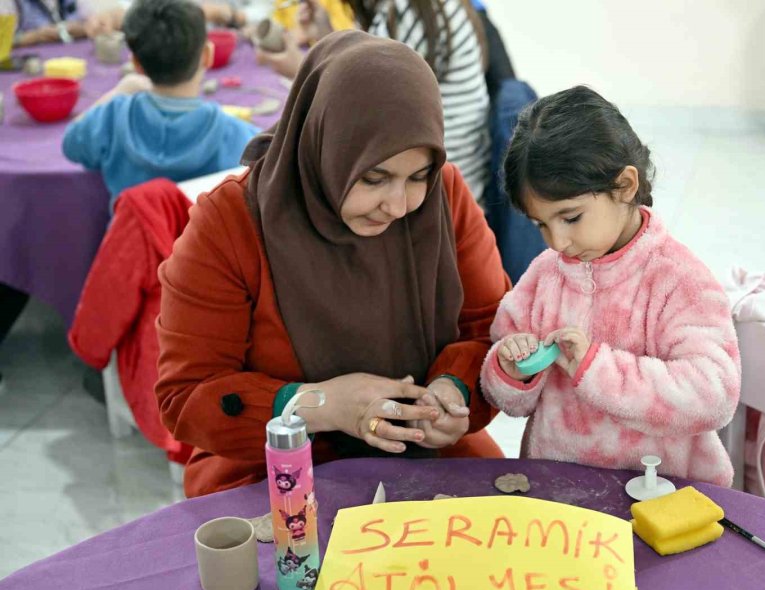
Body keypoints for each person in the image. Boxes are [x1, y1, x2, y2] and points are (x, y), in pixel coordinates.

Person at [155, 30, 510, 497]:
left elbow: (493, 327)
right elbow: (187, 394)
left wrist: (452, 392)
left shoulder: (442, 197)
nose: (399, 205)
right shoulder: (232, 223)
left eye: (418, 176)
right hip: (272, 461)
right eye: (373, 177)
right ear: (324, 146)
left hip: (424, 447)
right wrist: (318, 405)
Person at [480, 86, 741, 487]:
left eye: (570, 218)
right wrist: (510, 367)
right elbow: (512, 400)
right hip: (558, 494)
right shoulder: (545, 275)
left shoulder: (678, 280)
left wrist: (597, 368)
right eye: (541, 224)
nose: (556, 242)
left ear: (625, 186)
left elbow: (714, 394)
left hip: (660, 500)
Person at [258, 0, 491, 203]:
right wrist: (326, 37)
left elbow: (373, 106)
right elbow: (369, 74)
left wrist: (302, 70)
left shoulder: (408, 10)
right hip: (430, 173)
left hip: (441, 184)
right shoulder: (398, 7)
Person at [61, 0, 260, 206]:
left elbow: (71, 143)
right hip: (203, 238)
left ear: (136, 63)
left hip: (134, 237)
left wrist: (121, 90)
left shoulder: (112, 117)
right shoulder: (236, 134)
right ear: (207, 55)